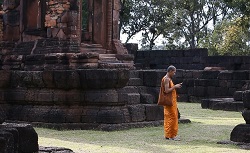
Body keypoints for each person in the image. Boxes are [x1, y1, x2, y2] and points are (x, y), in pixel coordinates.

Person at [160, 65, 182, 140]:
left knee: (168, 117)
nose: (174, 74)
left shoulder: (168, 79)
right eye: (174, 72)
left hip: (171, 100)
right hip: (170, 102)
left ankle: (168, 135)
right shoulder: (166, 79)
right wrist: (175, 86)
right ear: (170, 71)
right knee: (173, 117)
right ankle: (172, 135)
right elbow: (166, 90)